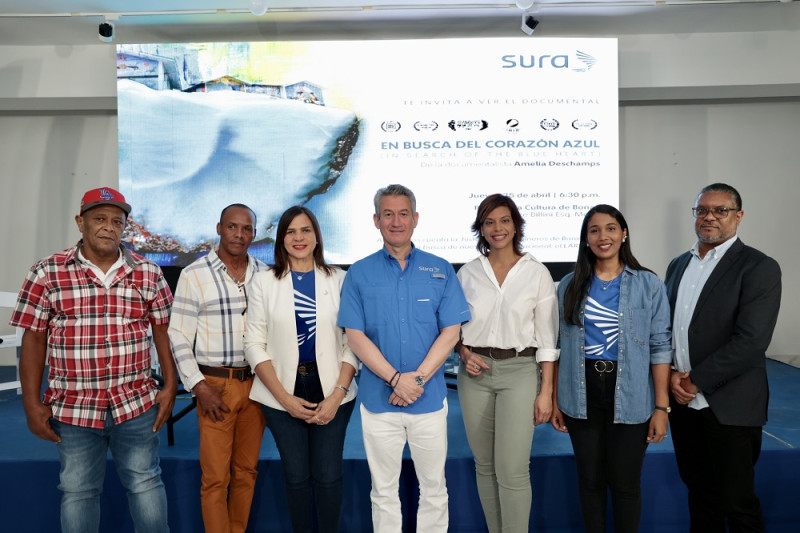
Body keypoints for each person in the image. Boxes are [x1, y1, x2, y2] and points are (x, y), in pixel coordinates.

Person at [9, 186, 176, 533]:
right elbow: (34, 339)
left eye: (117, 221)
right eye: (99, 218)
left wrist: (171, 386)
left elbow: (162, 332)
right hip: (73, 407)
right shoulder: (47, 272)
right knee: (78, 491)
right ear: (80, 222)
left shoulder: (148, 273)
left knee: (146, 483)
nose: (108, 227)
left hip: (135, 403)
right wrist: (30, 402)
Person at [338, 184, 470, 533]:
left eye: (403, 213)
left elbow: (451, 332)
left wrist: (418, 380)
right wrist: (397, 380)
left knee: (434, 489)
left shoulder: (440, 269)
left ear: (415, 218)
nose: (396, 221)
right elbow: (355, 335)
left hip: (428, 401)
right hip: (379, 403)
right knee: (382, 491)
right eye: (387, 214)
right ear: (376, 220)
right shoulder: (359, 273)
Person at [665, 183, 781, 532]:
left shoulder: (758, 267)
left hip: (730, 405)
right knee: (700, 495)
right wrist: (671, 372)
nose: (709, 217)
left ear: (738, 216)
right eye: (702, 210)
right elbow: (669, 330)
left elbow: (751, 341)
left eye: (720, 210)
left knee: (737, 502)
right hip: (683, 405)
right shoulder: (678, 265)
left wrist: (695, 379)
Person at [551, 204, 672, 533]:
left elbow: (661, 347)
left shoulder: (648, 284)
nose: (602, 236)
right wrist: (557, 401)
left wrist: (661, 407)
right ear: (585, 238)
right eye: (594, 230)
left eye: (610, 228)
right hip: (580, 392)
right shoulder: (568, 285)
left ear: (623, 234)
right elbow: (560, 347)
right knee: (589, 482)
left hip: (631, 391)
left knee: (625, 484)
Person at [244, 206, 357, 533]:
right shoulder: (264, 282)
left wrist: (337, 395)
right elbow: (254, 344)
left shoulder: (339, 279)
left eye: (305, 230)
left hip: (333, 390)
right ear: (281, 239)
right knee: (296, 476)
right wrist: (284, 399)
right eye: (291, 231)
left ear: (317, 236)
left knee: (328, 475)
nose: (298, 238)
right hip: (280, 392)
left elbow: (354, 342)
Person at [454, 193, 559, 533]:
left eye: (504, 221)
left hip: (520, 372)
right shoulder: (468, 273)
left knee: (512, 468)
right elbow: (452, 329)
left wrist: (546, 393)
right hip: (475, 373)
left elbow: (547, 340)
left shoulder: (537, 273)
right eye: (489, 222)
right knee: (484, 465)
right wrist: (463, 352)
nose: (497, 228)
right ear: (480, 229)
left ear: (516, 225)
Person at [167, 203, 267, 533]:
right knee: (215, 478)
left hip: (257, 385)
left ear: (255, 232)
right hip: (214, 387)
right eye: (232, 226)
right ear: (219, 228)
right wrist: (198, 386)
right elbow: (178, 335)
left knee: (246, 472)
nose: (239, 234)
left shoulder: (266, 275)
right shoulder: (194, 275)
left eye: (247, 228)